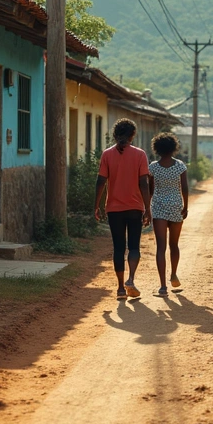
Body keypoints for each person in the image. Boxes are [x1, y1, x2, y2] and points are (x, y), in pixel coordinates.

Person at [94, 119, 152, 300]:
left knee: (118, 247)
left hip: (114, 208)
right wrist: (148, 209)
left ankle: (120, 289)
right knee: (134, 246)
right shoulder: (140, 155)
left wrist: (96, 205)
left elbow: (101, 181)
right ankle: (131, 280)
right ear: (132, 135)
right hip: (135, 207)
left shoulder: (107, 154)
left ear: (115, 134)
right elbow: (143, 183)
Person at [147, 132, 189, 297]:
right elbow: (184, 188)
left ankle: (163, 286)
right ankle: (173, 275)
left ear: (157, 148)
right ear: (174, 148)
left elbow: (150, 190)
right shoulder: (180, 166)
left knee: (161, 247)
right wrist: (186, 206)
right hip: (176, 206)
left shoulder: (153, 167)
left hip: (158, 207)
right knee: (174, 245)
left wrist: (147, 209)